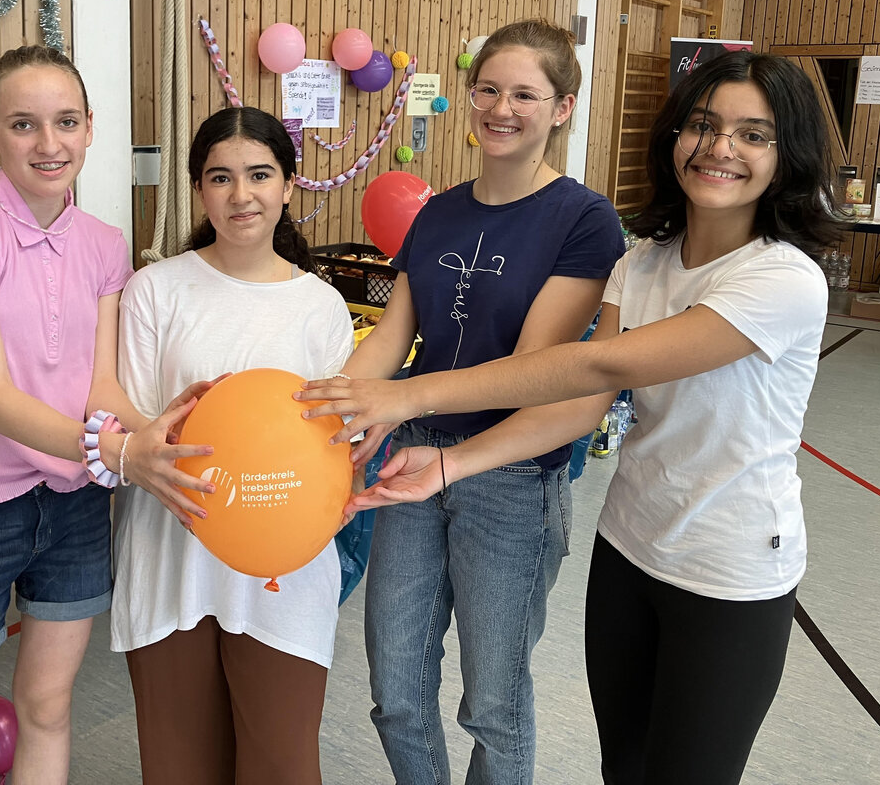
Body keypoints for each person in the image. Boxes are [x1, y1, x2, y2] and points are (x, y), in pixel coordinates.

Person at [300, 51, 843, 784]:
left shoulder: (782, 279)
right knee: (621, 761)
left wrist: (407, 396)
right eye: (704, 126)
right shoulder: (644, 261)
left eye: (754, 135)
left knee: (676, 766)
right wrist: (430, 455)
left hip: (728, 564)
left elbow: (595, 368)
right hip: (629, 545)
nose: (720, 148)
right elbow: (581, 407)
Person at [0, 45, 213, 785]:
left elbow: (98, 386)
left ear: (90, 127)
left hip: (72, 506)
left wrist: (166, 433)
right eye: (23, 124)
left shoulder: (104, 245)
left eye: (65, 122)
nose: (48, 144)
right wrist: (123, 453)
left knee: (46, 710)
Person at [331, 19, 624, 785]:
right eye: (488, 89)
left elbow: (534, 370)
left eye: (525, 93)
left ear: (561, 108)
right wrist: (346, 406)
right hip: (413, 459)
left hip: (511, 475)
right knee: (395, 691)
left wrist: (402, 401)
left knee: (493, 704)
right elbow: (392, 337)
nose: (502, 107)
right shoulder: (437, 213)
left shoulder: (584, 219)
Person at [110, 106, 354, 785]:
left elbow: (338, 442)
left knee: (282, 765)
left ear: (287, 185)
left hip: (284, 570)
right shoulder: (156, 289)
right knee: (179, 766)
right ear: (198, 190)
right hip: (171, 556)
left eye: (259, 175)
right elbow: (131, 426)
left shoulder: (320, 306)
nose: (241, 194)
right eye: (220, 177)